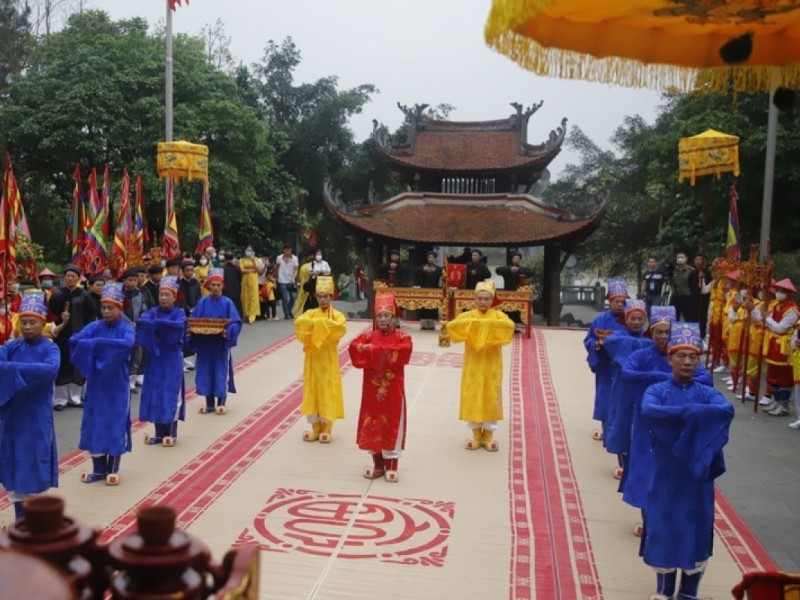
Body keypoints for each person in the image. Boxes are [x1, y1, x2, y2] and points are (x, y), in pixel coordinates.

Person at [639, 322, 734, 600]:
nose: (688, 362)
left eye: (694, 356)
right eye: (681, 355)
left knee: (697, 528)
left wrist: (686, 414)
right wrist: (695, 416)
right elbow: (650, 411)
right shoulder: (657, 391)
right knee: (663, 526)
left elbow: (725, 409)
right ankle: (663, 591)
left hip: (697, 475)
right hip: (666, 472)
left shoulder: (705, 391)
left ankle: (689, 593)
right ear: (669, 358)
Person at [0, 292, 60, 519]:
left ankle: (37, 524)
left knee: (34, 463)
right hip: (13, 415)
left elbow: (49, 370)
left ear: (42, 323)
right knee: (15, 465)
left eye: (31, 322)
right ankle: (19, 521)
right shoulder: (12, 346)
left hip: (36, 415)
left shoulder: (50, 348)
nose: (26, 327)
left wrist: (11, 370)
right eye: (23, 322)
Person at [69, 282, 135, 486]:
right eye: (104, 307)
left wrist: (97, 344)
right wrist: (91, 344)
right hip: (96, 384)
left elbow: (128, 344)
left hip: (117, 385)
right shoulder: (95, 326)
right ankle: (98, 469)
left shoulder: (126, 328)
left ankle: (113, 468)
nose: (106, 311)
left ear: (119, 308)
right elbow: (75, 339)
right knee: (95, 423)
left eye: (111, 308)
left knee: (115, 423)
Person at [349, 293, 412, 482]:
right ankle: (378, 465)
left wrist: (372, 352)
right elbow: (354, 347)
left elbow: (405, 351)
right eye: (380, 316)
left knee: (392, 422)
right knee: (373, 420)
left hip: (393, 391)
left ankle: (392, 465)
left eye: (387, 315)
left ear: (394, 318)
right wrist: (378, 352)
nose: (384, 319)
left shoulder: (403, 337)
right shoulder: (368, 336)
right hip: (372, 392)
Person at [446, 281, 515, 451]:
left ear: (492, 300)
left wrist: (486, 325)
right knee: (474, 395)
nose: (483, 302)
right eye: (480, 298)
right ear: (474, 299)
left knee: (491, 395)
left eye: (486, 299)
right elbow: (452, 326)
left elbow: (510, 327)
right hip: (474, 364)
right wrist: (476, 324)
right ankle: (477, 435)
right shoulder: (468, 316)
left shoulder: (498, 316)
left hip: (492, 364)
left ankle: (489, 435)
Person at [294, 276, 347, 443]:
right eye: (320, 296)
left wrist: (316, 325)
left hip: (328, 360)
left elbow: (338, 329)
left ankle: (327, 428)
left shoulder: (338, 316)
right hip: (312, 360)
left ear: (332, 297)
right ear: (316, 297)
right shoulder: (310, 313)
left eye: (326, 296)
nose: (323, 299)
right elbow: (300, 323)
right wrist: (322, 324)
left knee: (327, 390)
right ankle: (316, 428)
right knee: (313, 390)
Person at [601, 298, 650, 479]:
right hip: (623, 388)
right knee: (622, 422)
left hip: (644, 390)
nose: (636, 322)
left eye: (640, 319)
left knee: (641, 425)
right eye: (633, 319)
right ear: (626, 320)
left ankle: (638, 463)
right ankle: (623, 463)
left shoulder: (649, 339)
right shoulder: (617, 339)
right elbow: (610, 346)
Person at [136, 276, 186, 447]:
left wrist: (156, 324)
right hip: (155, 360)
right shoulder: (153, 311)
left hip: (171, 360)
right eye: (161, 294)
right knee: (156, 394)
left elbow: (177, 328)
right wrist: (157, 323)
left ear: (174, 296)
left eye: (167, 294)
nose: (163, 298)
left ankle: (171, 433)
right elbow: (142, 321)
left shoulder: (179, 313)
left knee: (171, 395)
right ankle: (158, 434)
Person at [188, 268, 242, 415]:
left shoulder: (228, 303)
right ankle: (209, 404)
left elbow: (236, 322)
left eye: (219, 285)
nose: (216, 288)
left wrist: (227, 331)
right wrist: (192, 330)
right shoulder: (203, 302)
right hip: (205, 344)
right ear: (208, 286)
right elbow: (193, 321)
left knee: (220, 371)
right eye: (213, 285)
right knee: (206, 371)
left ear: (222, 286)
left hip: (220, 344)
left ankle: (221, 402)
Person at [583, 278, 630, 440]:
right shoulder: (601, 320)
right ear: (609, 301)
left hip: (624, 367)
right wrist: (596, 344)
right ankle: (605, 430)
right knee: (606, 398)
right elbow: (588, 339)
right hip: (606, 366)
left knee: (622, 400)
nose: (619, 304)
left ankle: (620, 432)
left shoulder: (631, 320)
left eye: (622, 301)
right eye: (616, 301)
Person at [49, 264, 97, 410]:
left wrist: (87, 333)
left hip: (79, 335)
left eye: (73, 276)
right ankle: (60, 399)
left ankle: (75, 398)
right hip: (61, 336)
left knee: (77, 365)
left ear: (78, 278)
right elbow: (51, 314)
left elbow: (91, 315)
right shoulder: (57, 294)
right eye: (67, 276)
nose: (70, 279)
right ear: (64, 278)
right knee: (63, 365)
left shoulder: (84, 295)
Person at [754, 278, 798, 417]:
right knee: (772, 375)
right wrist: (762, 315)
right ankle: (776, 401)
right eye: (778, 290)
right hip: (772, 344)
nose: (778, 293)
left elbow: (780, 328)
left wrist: (767, 317)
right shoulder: (776, 305)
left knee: (783, 377)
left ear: (788, 294)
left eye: (782, 291)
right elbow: (767, 323)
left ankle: (783, 405)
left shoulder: (792, 310)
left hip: (783, 346)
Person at [121, 268, 151, 392]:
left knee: (137, 353)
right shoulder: (119, 294)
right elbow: (118, 310)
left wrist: (139, 321)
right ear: (124, 281)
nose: (133, 283)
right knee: (124, 353)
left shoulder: (139, 294)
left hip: (137, 328)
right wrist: (129, 322)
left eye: (135, 280)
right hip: (122, 328)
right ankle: (122, 380)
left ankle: (132, 381)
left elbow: (144, 309)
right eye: (130, 280)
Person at [495, 251, 533, 329]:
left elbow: (530, 272)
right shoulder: (507, 269)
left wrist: (518, 270)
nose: (515, 260)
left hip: (519, 294)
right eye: (514, 258)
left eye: (517, 258)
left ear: (520, 260)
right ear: (512, 260)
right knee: (507, 309)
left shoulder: (522, 269)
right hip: (508, 292)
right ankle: (507, 324)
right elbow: (498, 270)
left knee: (518, 310)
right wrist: (509, 269)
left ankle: (517, 324)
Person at [416, 251, 443, 330]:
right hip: (423, 289)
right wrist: (423, 270)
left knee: (433, 307)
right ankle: (423, 325)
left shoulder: (438, 268)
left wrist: (435, 271)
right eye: (429, 257)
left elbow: (444, 275)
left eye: (432, 257)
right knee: (423, 307)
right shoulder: (422, 267)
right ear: (427, 259)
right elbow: (415, 272)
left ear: (435, 259)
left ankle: (432, 325)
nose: (430, 259)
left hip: (434, 289)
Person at [689, 254, 712, 341]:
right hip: (694, 298)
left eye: (700, 259)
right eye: (696, 259)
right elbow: (690, 285)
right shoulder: (692, 273)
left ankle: (702, 336)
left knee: (703, 317)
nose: (698, 261)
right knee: (693, 316)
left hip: (705, 299)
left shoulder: (708, 273)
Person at [670, 252, 694, 321]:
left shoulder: (691, 271)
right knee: (673, 317)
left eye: (682, 257)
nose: (680, 259)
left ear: (686, 259)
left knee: (688, 318)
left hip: (686, 297)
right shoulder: (673, 270)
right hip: (675, 296)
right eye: (678, 257)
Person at [276, 244, 299, 319]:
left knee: (293, 297)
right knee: (284, 298)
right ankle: (286, 314)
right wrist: (276, 277)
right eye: (286, 251)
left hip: (291, 281)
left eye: (289, 251)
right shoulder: (279, 258)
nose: (288, 252)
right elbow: (277, 268)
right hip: (282, 280)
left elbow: (296, 269)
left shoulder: (295, 259)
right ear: (284, 251)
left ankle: (289, 310)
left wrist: (293, 277)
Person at [239, 245, 260, 324]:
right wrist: (251, 270)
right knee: (245, 296)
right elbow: (242, 270)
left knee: (253, 296)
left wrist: (253, 261)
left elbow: (257, 269)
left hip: (253, 280)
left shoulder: (256, 259)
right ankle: (246, 315)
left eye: (250, 250)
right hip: (244, 280)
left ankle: (252, 315)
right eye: (247, 250)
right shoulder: (241, 260)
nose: (249, 252)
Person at [222, 252, 242, 318]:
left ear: (225, 258)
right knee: (236, 304)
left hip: (226, 289)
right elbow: (240, 279)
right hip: (235, 289)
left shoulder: (222, 268)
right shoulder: (236, 268)